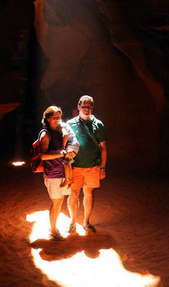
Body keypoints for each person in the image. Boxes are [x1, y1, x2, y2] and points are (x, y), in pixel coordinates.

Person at [67, 95, 107, 233]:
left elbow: (104, 147)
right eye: (84, 106)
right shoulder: (70, 124)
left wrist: (102, 167)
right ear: (78, 107)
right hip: (75, 167)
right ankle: (72, 222)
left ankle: (86, 222)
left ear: (92, 108)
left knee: (88, 193)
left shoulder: (98, 124)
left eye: (89, 106)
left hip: (92, 166)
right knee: (73, 193)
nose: (86, 109)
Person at [39, 106, 76, 241]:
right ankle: (53, 231)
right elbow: (43, 156)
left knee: (59, 202)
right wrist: (61, 153)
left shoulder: (58, 132)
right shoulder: (45, 134)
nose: (57, 120)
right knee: (56, 203)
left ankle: (53, 228)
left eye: (59, 117)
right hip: (52, 173)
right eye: (54, 117)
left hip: (61, 171)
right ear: (48, 119)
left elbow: (62, 148)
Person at [59, 123, 79, 187]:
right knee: (69, 163)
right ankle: (70, 179)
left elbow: (65, 134)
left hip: (71, 145)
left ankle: (67, 180)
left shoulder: (60, 125)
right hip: (75, 145)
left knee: (66, 162)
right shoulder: (64, 124)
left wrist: (63, 147)